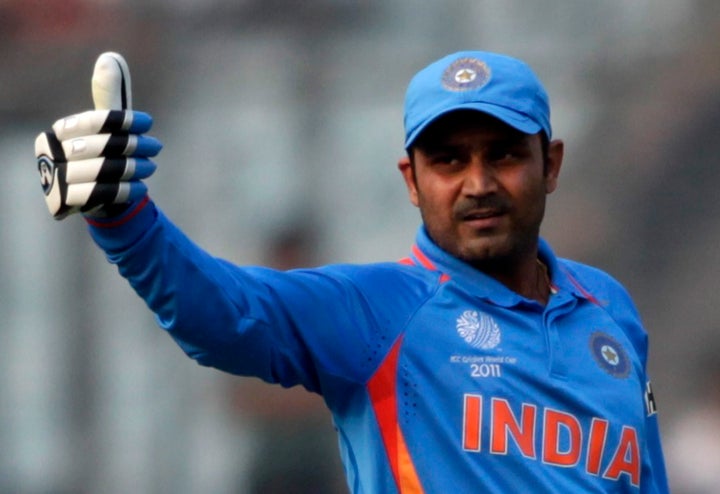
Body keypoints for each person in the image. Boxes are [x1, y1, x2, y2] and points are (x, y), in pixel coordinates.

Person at [34, 50, 670, 492]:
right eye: (448, 161)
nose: (478, 183)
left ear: (550, 164)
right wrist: (126, 222)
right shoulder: (381, 310)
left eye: (503, 155)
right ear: (412, 182)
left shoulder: (608, 308)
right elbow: (224, 312)